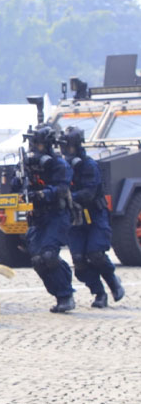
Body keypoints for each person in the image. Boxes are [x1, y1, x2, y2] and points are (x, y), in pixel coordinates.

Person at [11, 123, 76, 313]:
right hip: (37, 217)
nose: (35, 149)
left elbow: (62, 188)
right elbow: (16, 185)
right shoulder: (27, 164)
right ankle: (58, 292)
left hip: (57, 215)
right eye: (33, 145)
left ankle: (66, 295)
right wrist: (19, 177)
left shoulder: (59, 164)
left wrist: (43, 194)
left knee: (49, 255)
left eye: (38, 145)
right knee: (38, 259)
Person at [59, 125, 125, 308]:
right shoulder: (62, 166)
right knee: (79, 260)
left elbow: (89, 193)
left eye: (70, 147)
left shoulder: (89, 166)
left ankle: (113, 282)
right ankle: (99, 293)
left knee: (95, 253)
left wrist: (68, 196)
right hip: (76, 218)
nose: (67, 151)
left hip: (95, 215)